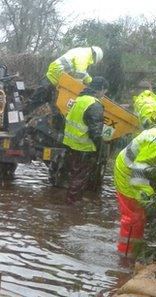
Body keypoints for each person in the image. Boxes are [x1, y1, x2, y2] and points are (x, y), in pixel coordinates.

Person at [113, 127, 156, 255]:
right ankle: (125, 257)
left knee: (141, 216)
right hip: (127, 172)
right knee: (134, 218)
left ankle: (134, 251)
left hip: (137, 170)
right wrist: (152, 201)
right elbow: (139, 172)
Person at [62, 76, 108, 204]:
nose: (104, 94)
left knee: (74, 175)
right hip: (84, 147)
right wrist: (99, 149)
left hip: (71, 144)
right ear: (101, 89)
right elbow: (96, 131)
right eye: (105, 91)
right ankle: (72, 205)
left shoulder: (79, 99)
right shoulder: (95, 105)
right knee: (80, 177)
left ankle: (72, 201)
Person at [23, 46, 104, 116]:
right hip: (54, 77)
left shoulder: (82, 52)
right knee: (38, 100)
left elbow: (82, 73)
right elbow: (80, 72)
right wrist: (79, 89)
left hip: (55, 78)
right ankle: (21, 114)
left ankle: (23, 114)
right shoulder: (84, 55)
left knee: (47, 102)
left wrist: (91, 81)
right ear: (95, 56)